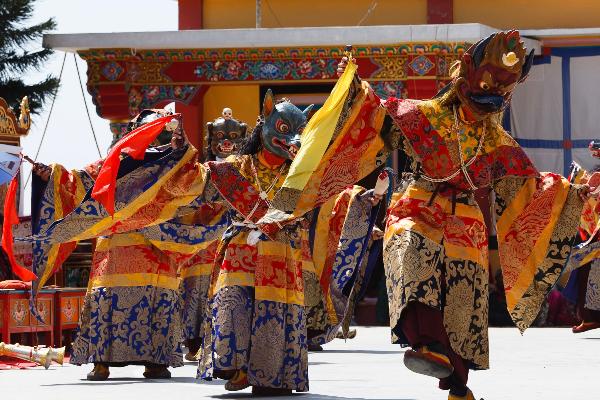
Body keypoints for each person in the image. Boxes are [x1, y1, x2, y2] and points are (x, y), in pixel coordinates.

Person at [260, 30, 595, 400]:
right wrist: (352, 85)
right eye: (488, 80)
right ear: (465, 72)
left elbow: (530, 185)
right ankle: (426, 344)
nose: (495, 91)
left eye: (506, 85)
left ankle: (458, 383)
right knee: (413, 253)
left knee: (463, 294)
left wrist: (574, 192)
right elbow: (373, 111)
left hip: (465, 219)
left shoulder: (498, 142)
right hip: (417, 205)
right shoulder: (423, 115)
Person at [30, 109, 201, 380]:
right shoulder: (115, 162)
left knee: (155, 300)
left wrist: (182, 142)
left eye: (159, 136)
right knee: (105, 300)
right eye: (148, 134)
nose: (153, 141)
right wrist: (51, 175)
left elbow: (193, 179)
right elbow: (80, 182)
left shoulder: (172, 166)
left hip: (155, 247)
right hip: (114, 248)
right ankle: (101, 360)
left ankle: (156, 361)